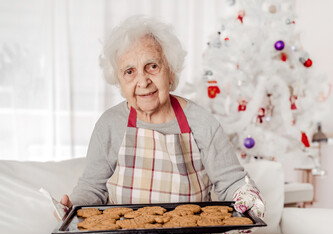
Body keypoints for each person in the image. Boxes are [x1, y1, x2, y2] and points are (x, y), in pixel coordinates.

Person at [59, 15, 265, 222]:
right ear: (119, 81)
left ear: (171, 72)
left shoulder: (201, 122)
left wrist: (246, 197)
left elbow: (232, 182)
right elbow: (92, 188)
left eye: (152, 66)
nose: (143, 81)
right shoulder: (110, 124)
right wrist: (71, 208)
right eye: (129, 72)